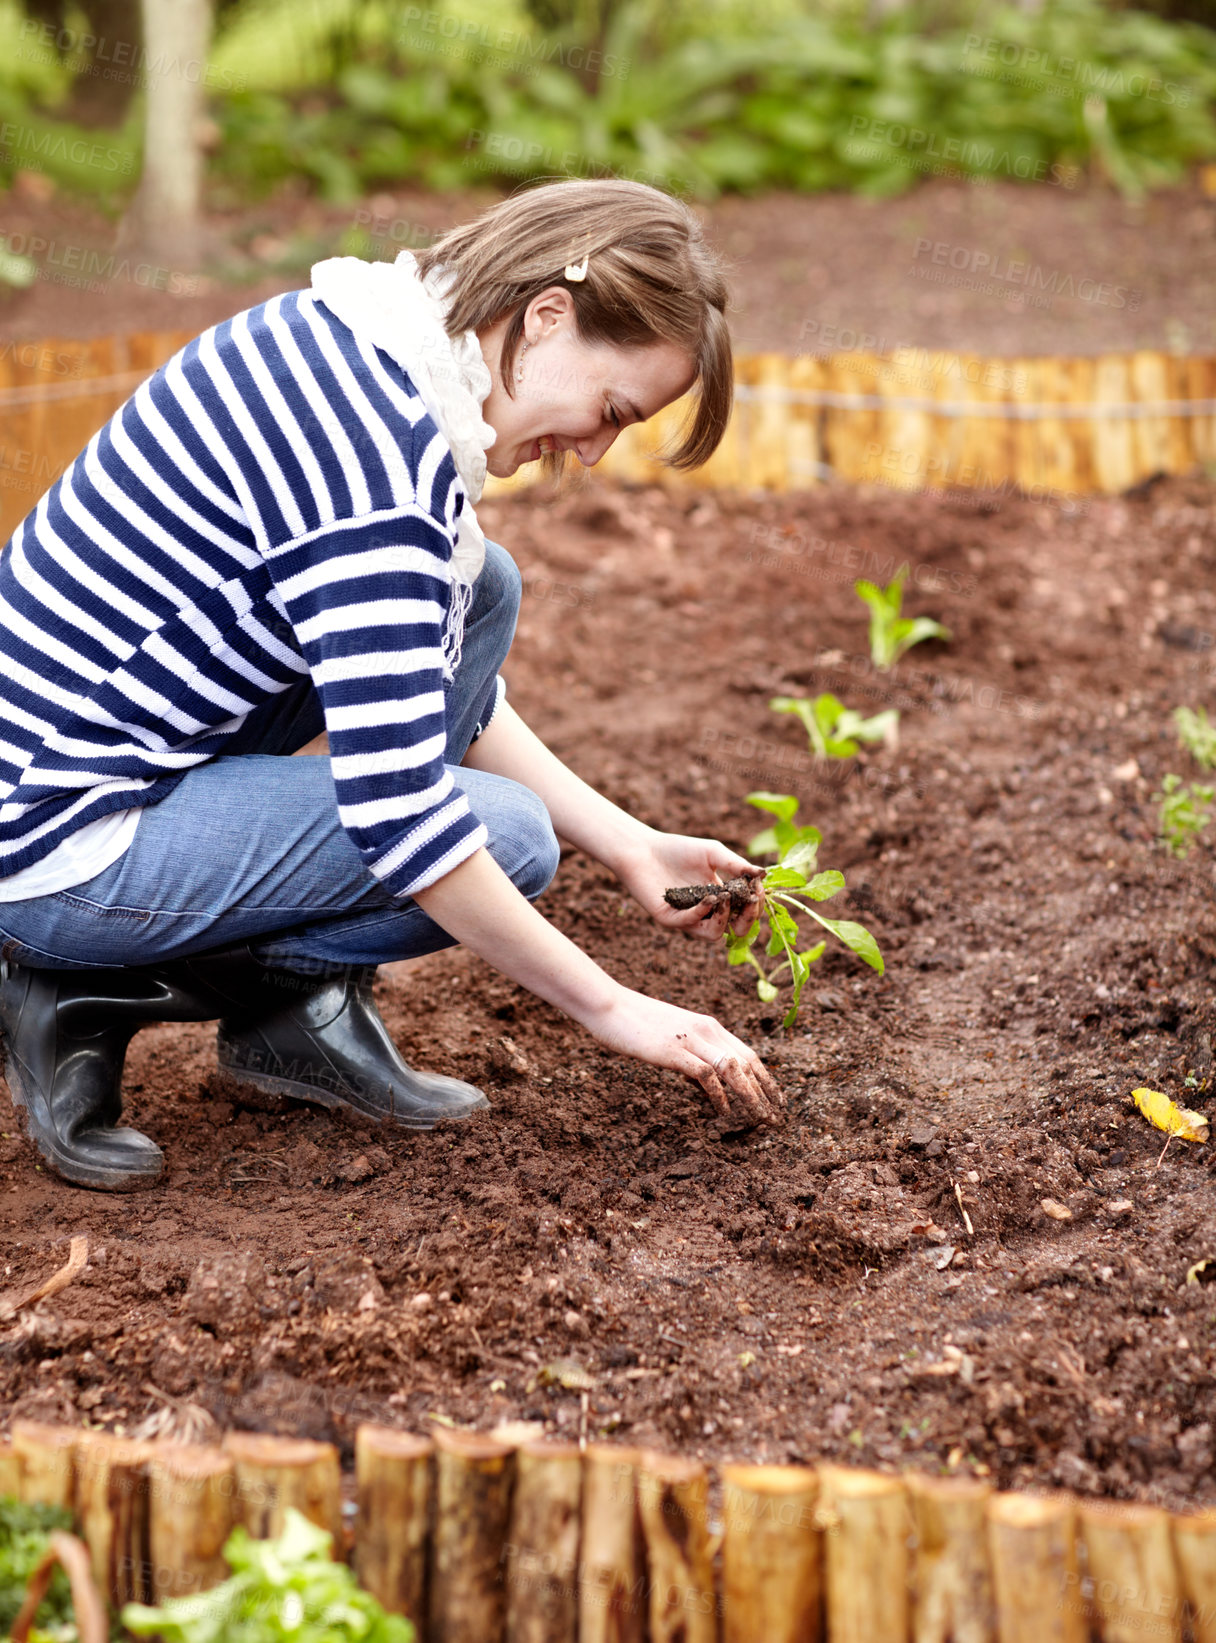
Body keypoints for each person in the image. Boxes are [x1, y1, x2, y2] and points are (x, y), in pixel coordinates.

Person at [0, 177, 783, 1193]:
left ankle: (283, 1014)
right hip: (51, 838)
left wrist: (630, 842)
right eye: (609, 410)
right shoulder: (380, 471)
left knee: (481, 584)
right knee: (500, 837)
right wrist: (614, 1007)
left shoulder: (358, 343)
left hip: (77, 754)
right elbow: (400, 810)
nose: (592, 451)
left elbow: (403, 677)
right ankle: (82, 985)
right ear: (547, 316)